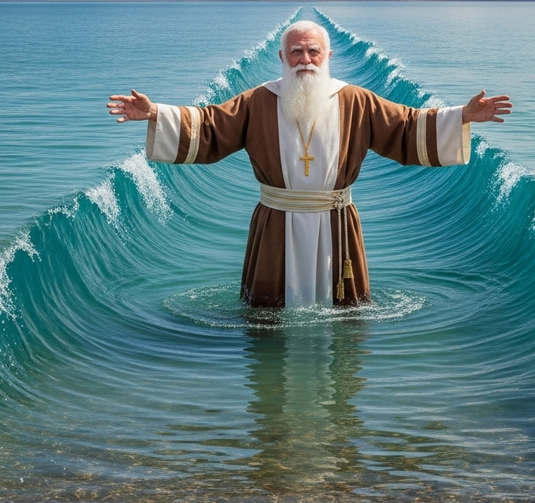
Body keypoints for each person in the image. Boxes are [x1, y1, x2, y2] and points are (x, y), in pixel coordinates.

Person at [108, 21, 512, 308]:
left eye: (313, 50)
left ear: (328, 55)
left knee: (346, 316)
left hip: (336, 220)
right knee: (267, 317)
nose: (305, 59)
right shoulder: (256, 101)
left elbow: (406, 127)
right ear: (282, 55)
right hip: (276, 219)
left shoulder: (356, 100)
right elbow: (212, 126)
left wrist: (461, 115)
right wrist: (155, 113)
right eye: (297, 51)